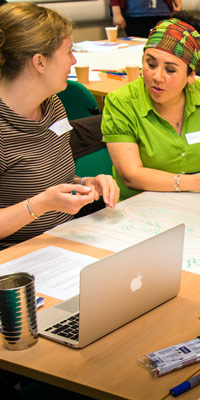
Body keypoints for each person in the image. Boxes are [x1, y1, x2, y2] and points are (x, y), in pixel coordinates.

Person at [0, 3, 119, 250]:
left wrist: (85, 183)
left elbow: (50, 183)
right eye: (68, 51)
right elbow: (42, 198)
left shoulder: (52, 105)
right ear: (40, 62)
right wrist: (40, 205)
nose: (74, 60)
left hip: (63, 238)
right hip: (17, 255)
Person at [102, 11, 200, 201]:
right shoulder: (121, 103)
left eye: (170, 70)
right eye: (151, 64)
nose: (157, 76)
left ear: (191, 75)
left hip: (197, 202)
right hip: (142, 206)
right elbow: (131, 175)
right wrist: (197, 183)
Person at [111, 0, 182, 38]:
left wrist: (179, 6)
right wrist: (116, 13)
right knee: (137, 47)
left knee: (162, 47)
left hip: (162, 13)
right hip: (134, 15)